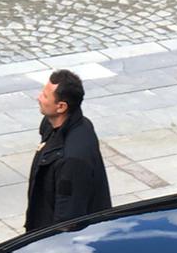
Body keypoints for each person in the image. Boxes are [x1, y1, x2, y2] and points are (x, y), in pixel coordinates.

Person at [24, 70, 112, 233]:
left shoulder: (71, 159)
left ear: (61, 106)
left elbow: (67, 219)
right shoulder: (59, 125)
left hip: (51, 242)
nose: (38, 98)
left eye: (44, 95)